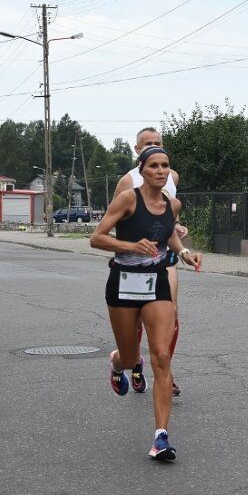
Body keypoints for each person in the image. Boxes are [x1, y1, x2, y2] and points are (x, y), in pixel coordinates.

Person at [90, 146, 202, 461]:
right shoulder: (128, 199)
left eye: (165, 165)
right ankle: (117, 363)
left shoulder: (173, 204)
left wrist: (184, 254)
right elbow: (96, 237)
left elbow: (169, 236)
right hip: (123, 282)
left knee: (162, 357)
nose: (161, 170)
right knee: (129, 358)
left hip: (157, 282)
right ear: (142, 170)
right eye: (153, 165)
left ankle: (161, 438)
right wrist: (129, 245)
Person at [112, 127, 188, 396]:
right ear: (137, 150)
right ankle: (131, 364)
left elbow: (170, 218)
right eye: (147, 144)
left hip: (165, 259)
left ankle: (166, 373)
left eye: (158, 143)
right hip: (136, 263)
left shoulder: (171, 176)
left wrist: (177, 229)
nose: (153, 147)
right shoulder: (126, 181)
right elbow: (117, 222)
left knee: (172, 314)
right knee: (135, 322)